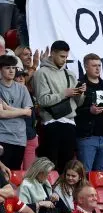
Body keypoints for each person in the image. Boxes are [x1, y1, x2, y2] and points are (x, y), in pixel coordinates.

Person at [32, 40, 84, 173]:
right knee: (50, 166)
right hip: (51, 123)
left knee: (67, 167)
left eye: (66, 57)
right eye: (62, 56)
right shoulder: (41, 73)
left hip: (70, 123)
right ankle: (48, 193)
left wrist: (80, 93)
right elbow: (42, 100)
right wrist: (64, 93)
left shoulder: (70, 74)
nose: (64, 60)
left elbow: (78, 104)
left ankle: (63, 193)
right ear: (53, 53)